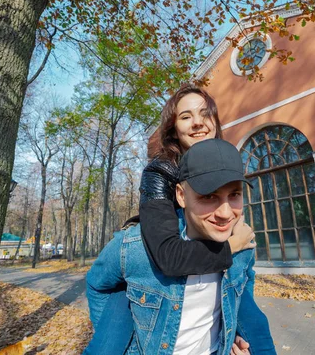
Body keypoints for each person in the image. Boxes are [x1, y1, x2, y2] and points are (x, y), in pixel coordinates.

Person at [84, 84, 275, 354]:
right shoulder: (161, 170)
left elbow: (238, 288)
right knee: (109, 342)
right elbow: (167, 255)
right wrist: (233, 246)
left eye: (204, 114)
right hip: (157, 257)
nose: (198, 122)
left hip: (206, 263)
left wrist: (228, 332)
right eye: (186, 117)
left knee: (251, 317)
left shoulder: (224, 159)